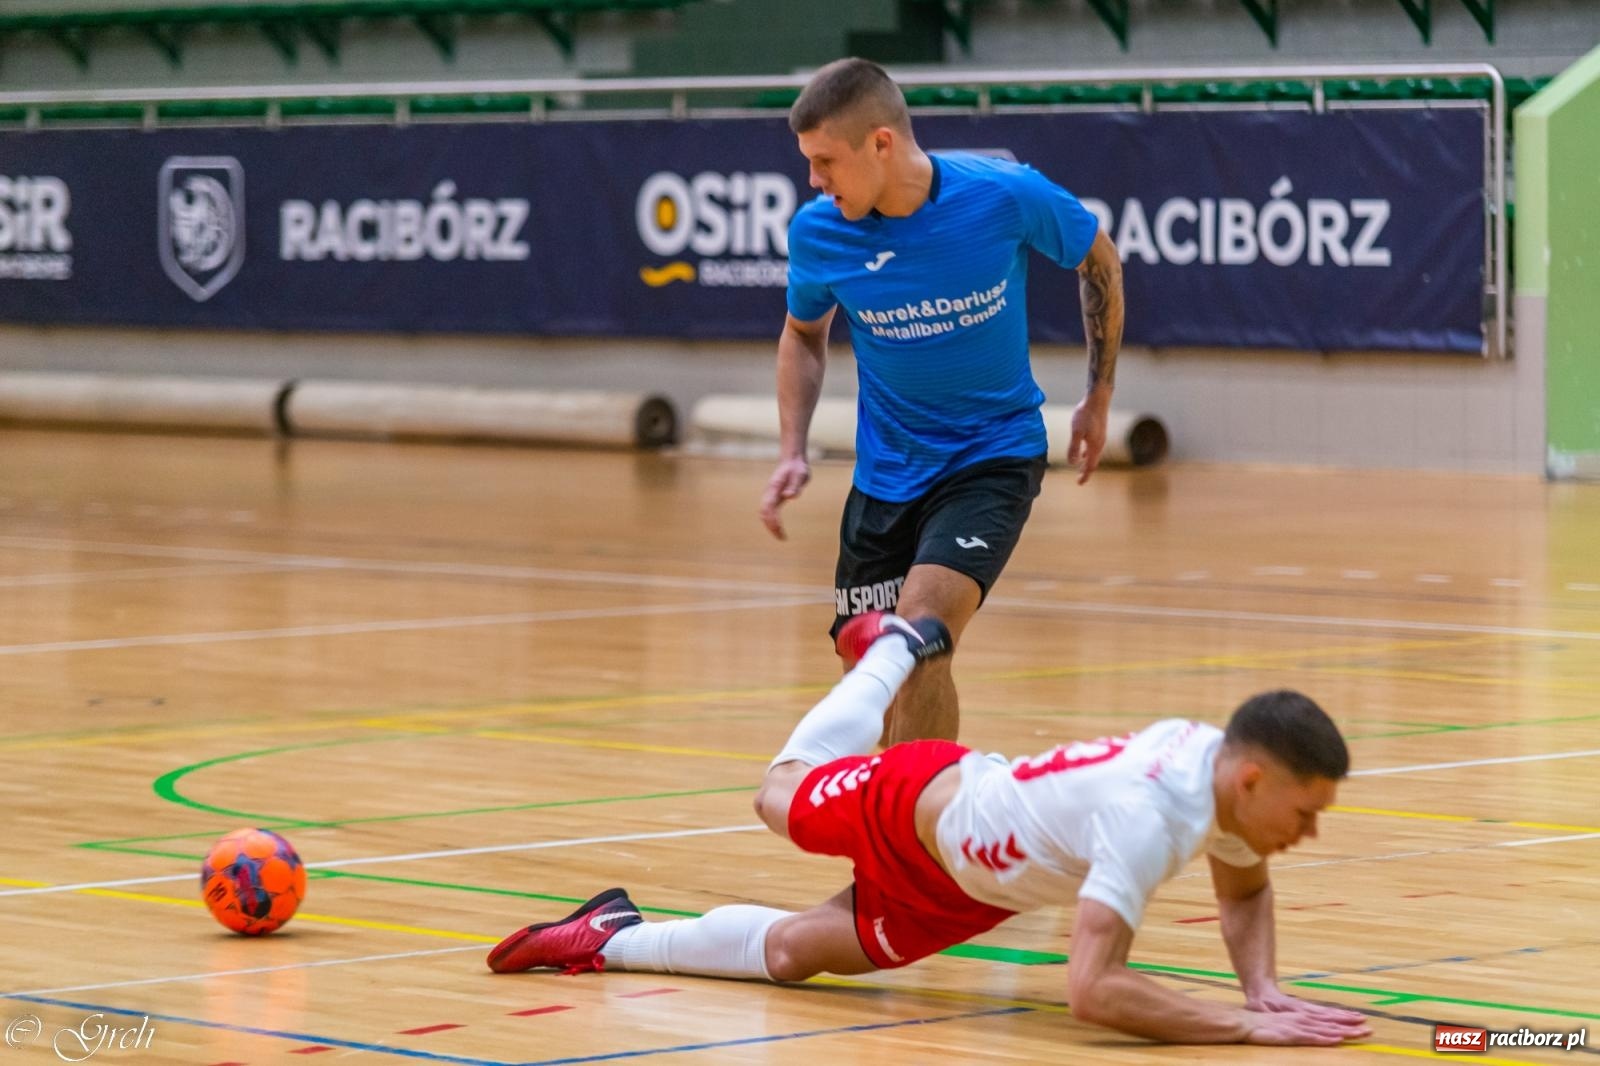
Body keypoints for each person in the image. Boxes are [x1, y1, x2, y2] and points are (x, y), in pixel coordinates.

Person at [488, 614, 1372, 1047]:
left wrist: (1261, 986)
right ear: (1252, 779)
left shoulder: (1221, 778)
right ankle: (892, 650)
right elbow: (1093, 992)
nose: (1309, 834)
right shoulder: (1147, 814)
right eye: (1306, 813)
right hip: (920, 799)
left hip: (965, 893)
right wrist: (1240, 1028)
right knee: (776, 801)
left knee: (796, 955)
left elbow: (1244, 879)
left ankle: (610, 937)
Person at [757, 57, 1126, 747]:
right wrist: (791, 449)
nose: (814, 180)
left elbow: (1098, 259)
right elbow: (803, 336)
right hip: (885, 478)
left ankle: (916, 843)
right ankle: (904, 832)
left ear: (882, 144)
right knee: (872, 663)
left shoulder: (1004, 195)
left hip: (992, 457)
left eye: (826, 161)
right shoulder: (819, 232)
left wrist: (1097, 397)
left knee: (918, 634)